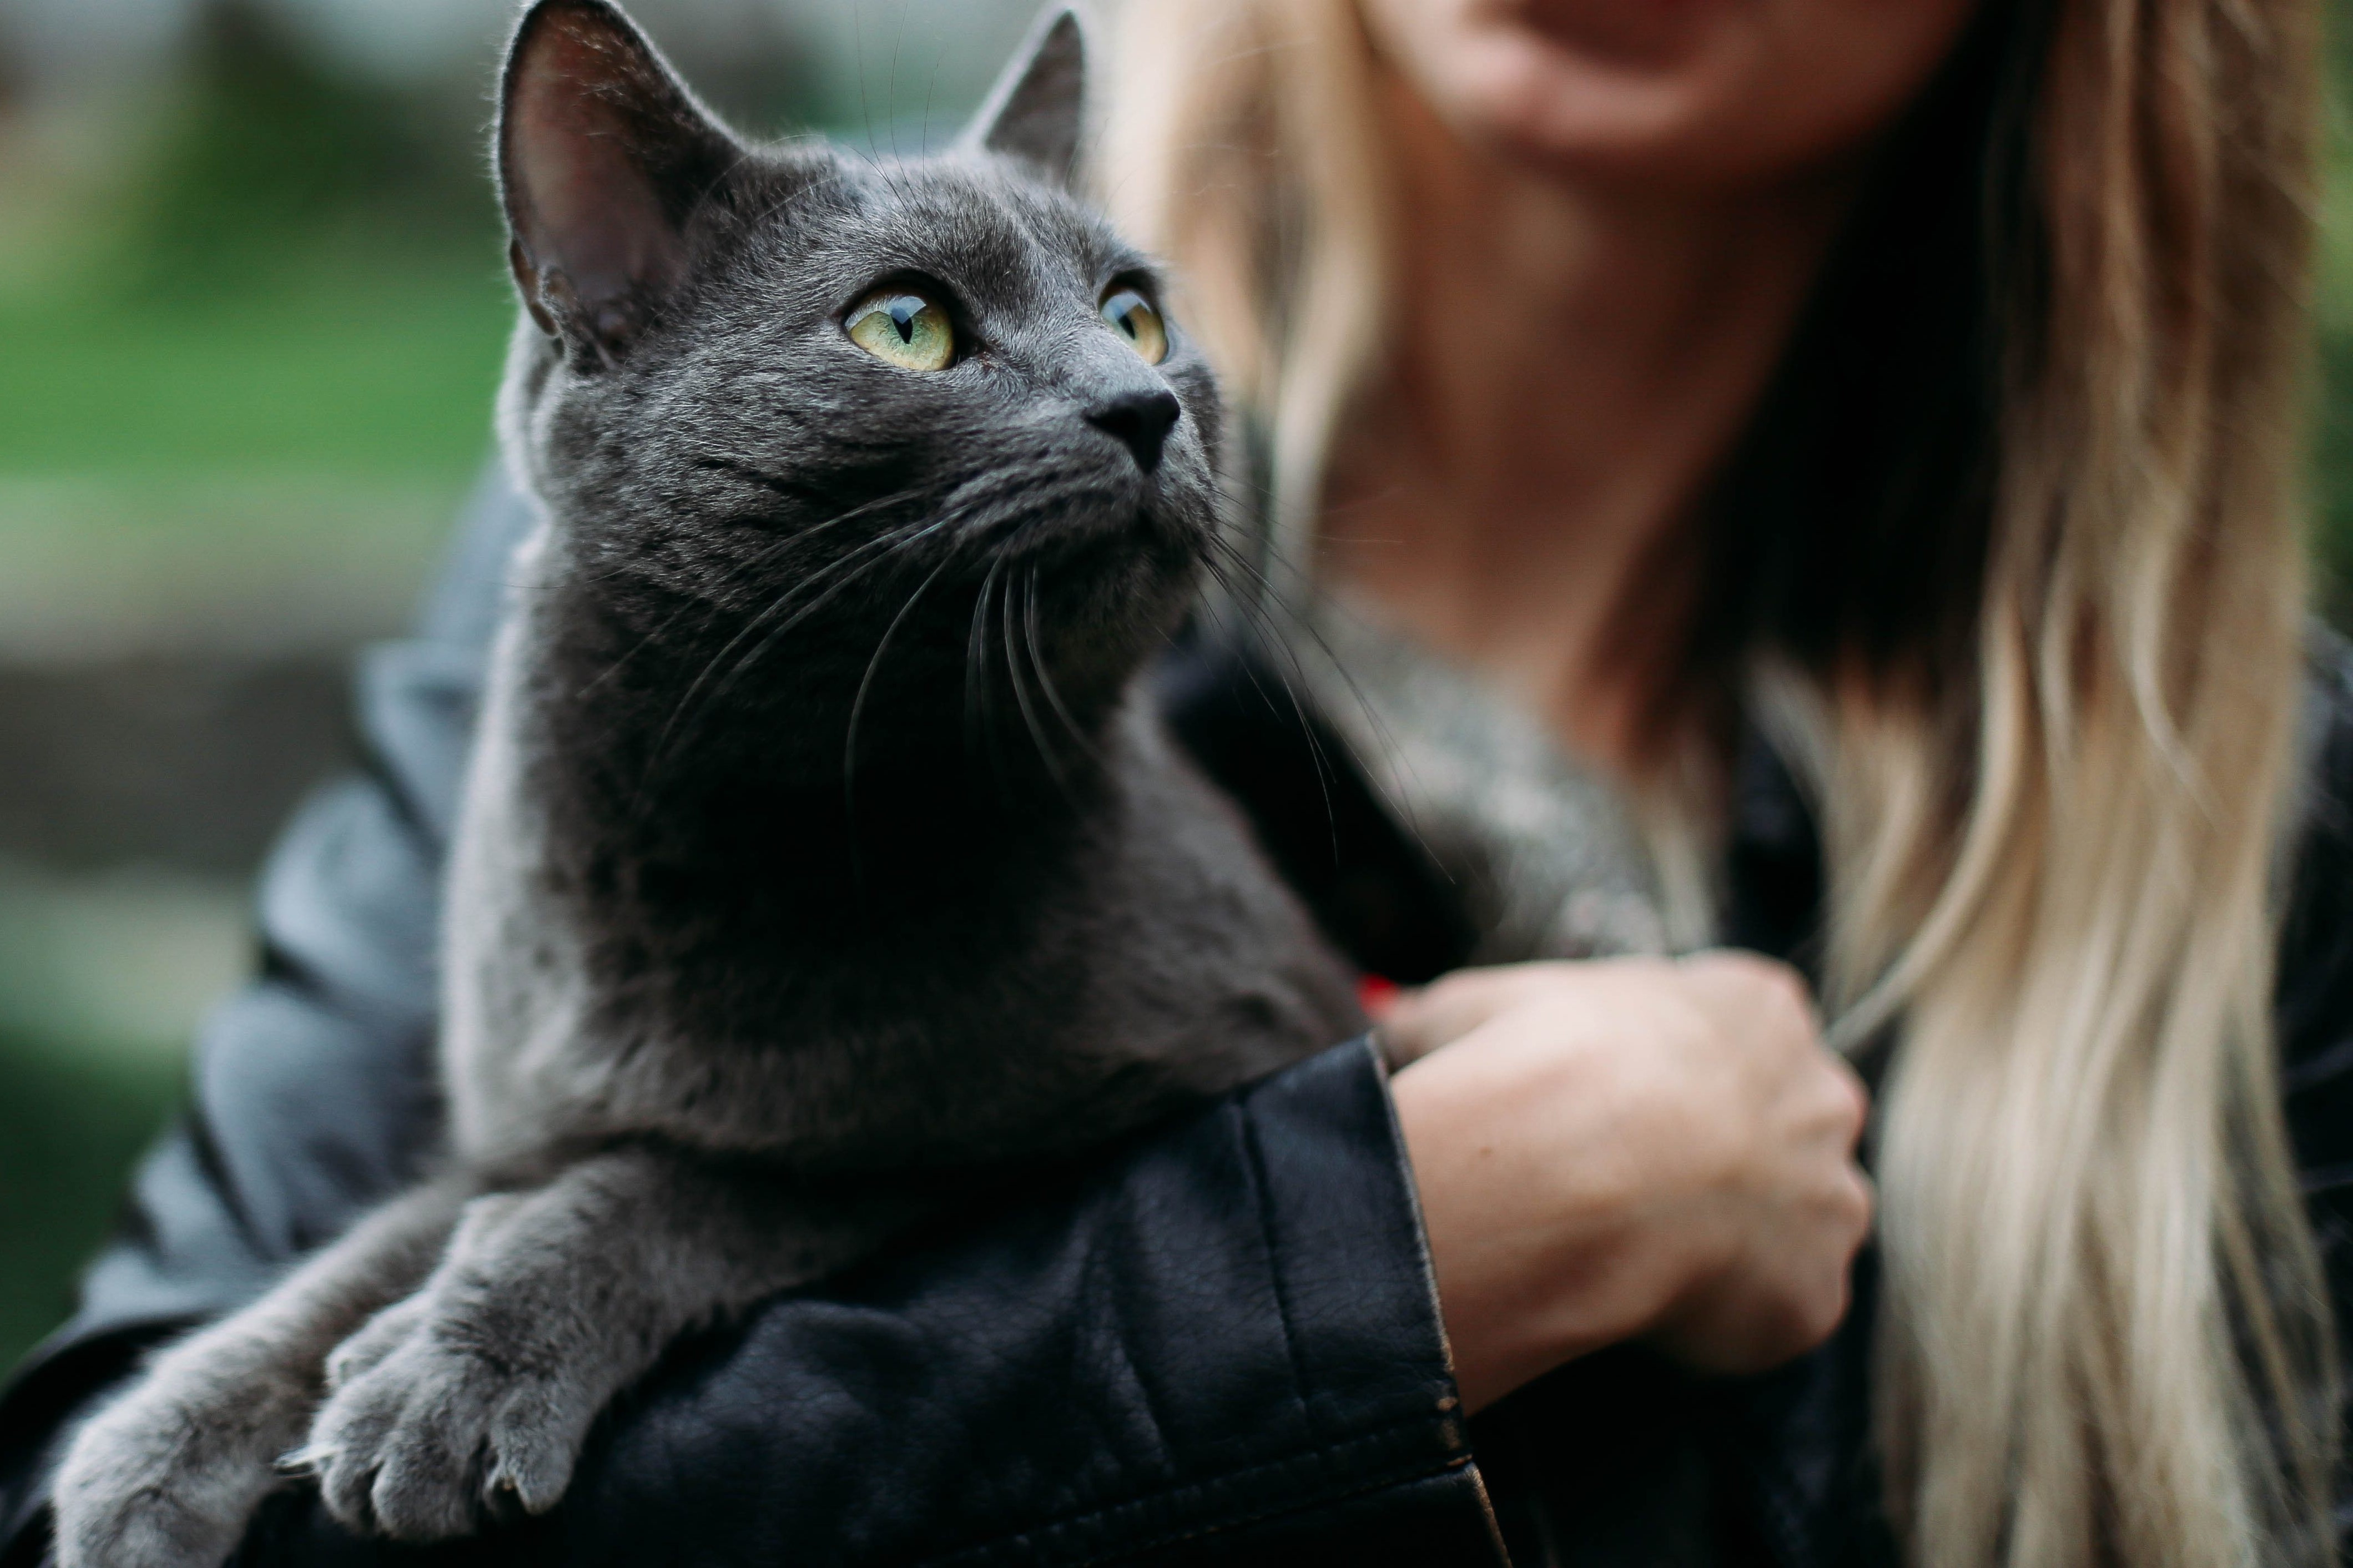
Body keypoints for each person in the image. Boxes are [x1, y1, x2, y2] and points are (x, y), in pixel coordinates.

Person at [0, 0, 2344, 1560]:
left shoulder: (2280, 821)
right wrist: (1390, 1239)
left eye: (1129, 324)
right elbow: (100, 1519)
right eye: (925, 329)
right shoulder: (623, 619)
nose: (1117, 389)